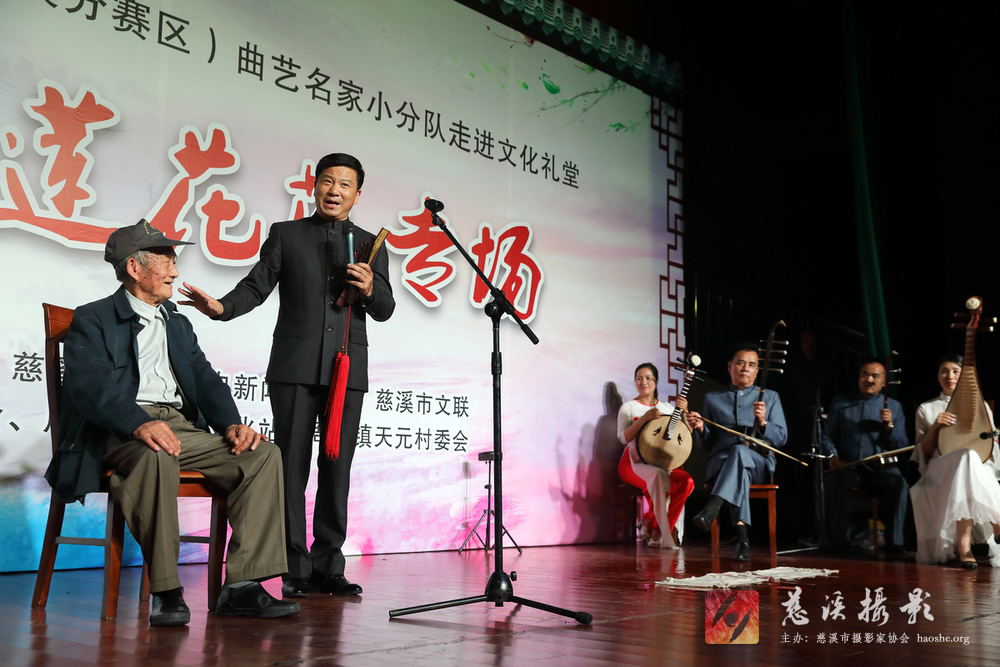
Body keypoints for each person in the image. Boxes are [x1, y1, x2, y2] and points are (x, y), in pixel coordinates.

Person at [44, 219, 299, 627]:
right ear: (134, 267)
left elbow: (206, 379)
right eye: (166, 261)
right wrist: (137, 423)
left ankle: (243, 586)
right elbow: (89, 386)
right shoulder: (93, 318)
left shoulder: (177, 322)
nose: (175, 272)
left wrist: (232, 424)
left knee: (261, 455)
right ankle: (166, 591)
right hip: (118, 429)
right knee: (157, 454)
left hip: (178, 427)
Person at [178, 153, 395, 598]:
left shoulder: (371, 245)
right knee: (290, 467)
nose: (334, 191)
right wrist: (220, 308)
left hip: (346, 372)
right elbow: (256, 286)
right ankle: (294, 567)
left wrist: (371, 287)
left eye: (345, 185)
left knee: (337, 468)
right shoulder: (287, 234)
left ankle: (328, 565)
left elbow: (386, 308)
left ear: (357, 194)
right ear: (314, 186)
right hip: (294, 368)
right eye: (327, 181)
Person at [684, 344, 788, 561]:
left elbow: (781, 438)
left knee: (740, 453)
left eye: (751, 365)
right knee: (739, 465)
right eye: (740, 363)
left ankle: (712, 508)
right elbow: (706, 444)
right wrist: (701, 428)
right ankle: (742, 539)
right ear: (730, 367)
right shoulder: (713, 397)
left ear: (757, 371)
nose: (745, 368)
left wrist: (763, 422)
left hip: (759, 462)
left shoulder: (770, 397)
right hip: (722, 462)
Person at [909, 354, 1000, 568]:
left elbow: (990, 447)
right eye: (944, 371)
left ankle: (964, 548)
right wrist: (935, 427)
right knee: (967, 456)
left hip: (974, 469)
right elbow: (925, 452)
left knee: (968, 462)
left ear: (964, 376)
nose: (949, 376)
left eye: (955, 371)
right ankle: (997, 521)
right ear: (938, 376)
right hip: (939, 467)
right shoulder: (927, 408)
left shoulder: (981, 405)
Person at [822, 358, 910, 554]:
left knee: (899, 484)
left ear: (883, 382)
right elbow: (827, 436)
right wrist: (832, 456)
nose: (869, 380)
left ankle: (895, 543)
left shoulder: (894, 406)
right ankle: (839, 542)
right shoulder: (841, 403)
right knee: (835, 481)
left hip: (880, 469)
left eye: (875, 376)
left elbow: (901, 444)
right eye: (865, 374)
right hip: (849, 466)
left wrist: (889, 426)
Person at [617, 363, 695, 548]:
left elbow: (681, 437)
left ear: (656, 382)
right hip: (633, 463)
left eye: (648, 378)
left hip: (660, 463)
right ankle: (662, 536)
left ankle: (654, 526)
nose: (643, 382)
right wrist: (644, 419)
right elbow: (623, 438)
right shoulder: (628, 407)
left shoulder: (667, 407)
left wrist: (685, 413)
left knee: (687, 482)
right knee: (658, 479)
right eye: (639, 378)